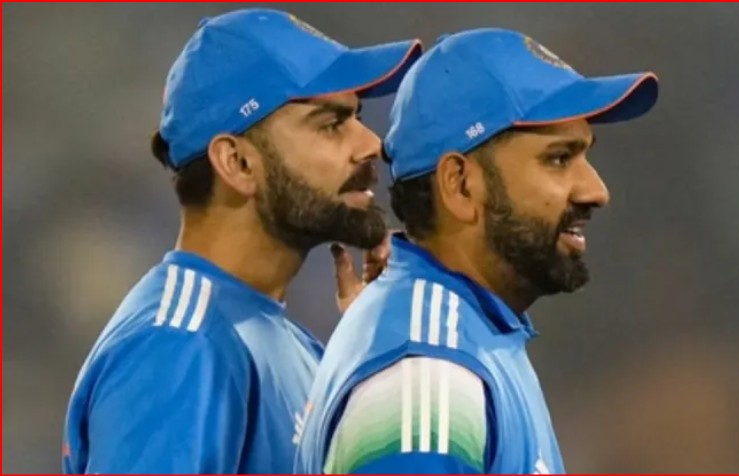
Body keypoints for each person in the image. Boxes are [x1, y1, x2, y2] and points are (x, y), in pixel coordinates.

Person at [62, 8, 420, 474]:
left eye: (357, 116)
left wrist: (371, 353)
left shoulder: (284, 340)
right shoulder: (178, 347)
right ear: (237, 163)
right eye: (331, 123)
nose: (371, 143)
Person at [294, 28, 659, 474]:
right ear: (461, 184)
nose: (596, 190)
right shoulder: (429, 376)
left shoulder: (470, 335)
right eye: (560, 158)